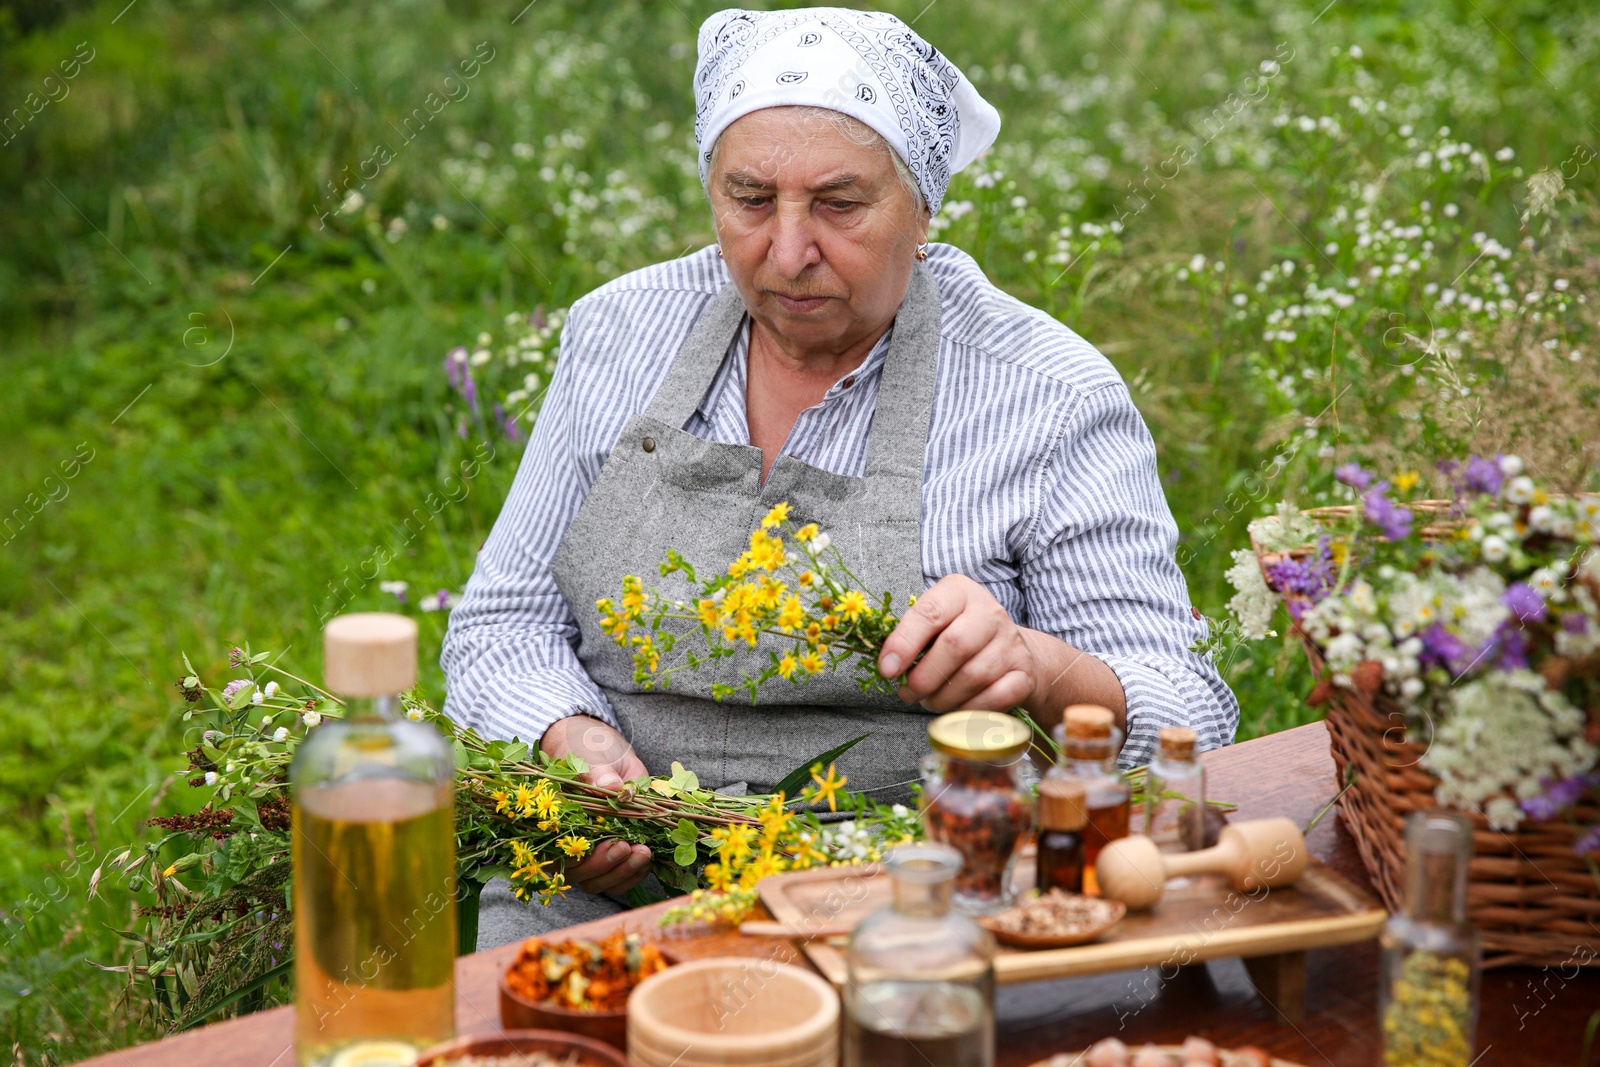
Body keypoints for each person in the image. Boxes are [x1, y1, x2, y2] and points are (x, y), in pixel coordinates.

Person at [442, 6, 1238, 947]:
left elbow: (1193, 719)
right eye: (749, 199)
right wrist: (563, 741)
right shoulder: (620, 333)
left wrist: (1040, 665)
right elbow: (503, 621)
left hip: (925, 898)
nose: (786, 252)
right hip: (608, 887)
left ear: (924, 205)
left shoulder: (1048, 396)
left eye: (838, 204)